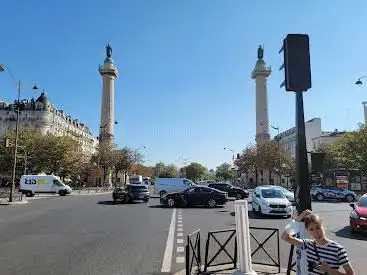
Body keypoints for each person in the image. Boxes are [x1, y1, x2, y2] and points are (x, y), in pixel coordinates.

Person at [281, 210, 354, 275]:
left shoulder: (338, 249)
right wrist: (297, 220)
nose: (316, 232)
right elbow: (284, 237)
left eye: (318, 227)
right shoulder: (307, 244)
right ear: (308, 231)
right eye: (311, 229)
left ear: (323, 226)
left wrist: (329, 270)